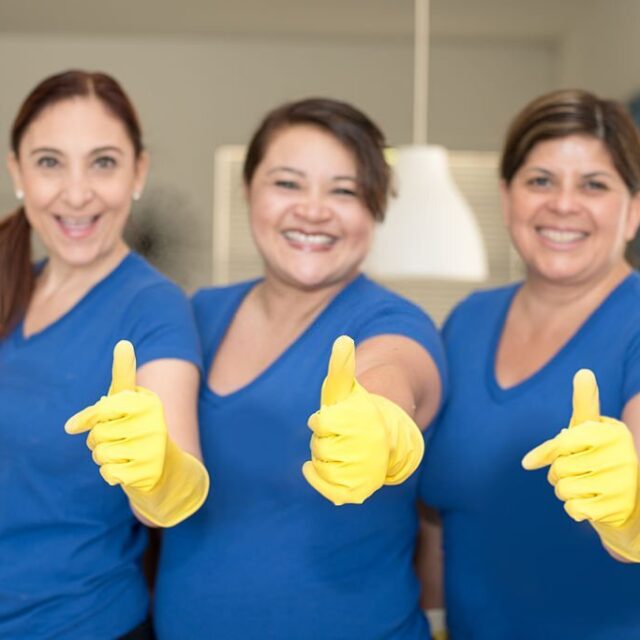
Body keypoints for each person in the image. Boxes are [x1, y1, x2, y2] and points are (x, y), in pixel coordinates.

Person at [153, 97, 446, 639]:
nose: (313, 210)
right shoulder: (196, 316)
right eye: (287, 183)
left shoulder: (396, 322)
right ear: (248, 190)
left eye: (345, 190)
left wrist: (377, 418)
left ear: (376, 209)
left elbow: (391, 372)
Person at [419, 88, 640, 639]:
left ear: (634, 211)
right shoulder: (468, 322)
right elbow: (436, 514)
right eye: (540, 180)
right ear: (506, 197)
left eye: (594, 184)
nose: (563, 204)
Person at [0, 70, 207, 639]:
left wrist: (157, 466)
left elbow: (173, 491)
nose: (76, 193)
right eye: (49, 162)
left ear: (138, 173)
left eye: (103, 162)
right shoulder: (9, 284)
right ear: (17, 170)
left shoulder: (153, 306)